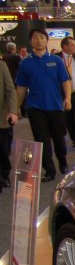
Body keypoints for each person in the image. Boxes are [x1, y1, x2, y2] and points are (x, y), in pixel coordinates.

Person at [15, 28, 71, 182]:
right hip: (35, 107)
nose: (38, 40)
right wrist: (16, 108)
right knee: (42, 140)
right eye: (35, 38)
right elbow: (21, 87)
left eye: (41, 37)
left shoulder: (57, 60)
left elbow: (65, 81)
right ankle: (49, 170)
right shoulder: (26, 63)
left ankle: (63, 161)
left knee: (59, 138)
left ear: (47, 41)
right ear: (30, 41)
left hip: (55, 106)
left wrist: (68, 98)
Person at [0, 60, 18, 191]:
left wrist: (13, 111)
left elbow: (10, 89)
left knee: (3, 149)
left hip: (2, 115)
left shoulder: (2, 65)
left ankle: (5, 173)